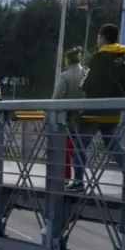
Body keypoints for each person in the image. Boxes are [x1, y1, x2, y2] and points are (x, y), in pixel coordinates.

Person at [74, 23, 125, 189]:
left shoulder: (99, 57)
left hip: (94, 111)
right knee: (114, 145)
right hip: (114, 111)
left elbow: (88, 83)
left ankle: (78, 181)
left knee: (80, 145)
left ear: (102, 38)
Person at [53, 47, 85, 186]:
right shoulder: (87, 73)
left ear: (67, 60)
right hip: (85, 118)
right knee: (80, 149)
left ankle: (66, 177)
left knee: (65, 149)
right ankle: (79, 179)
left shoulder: (65, 76)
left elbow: (57, 98)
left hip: (68, 120)